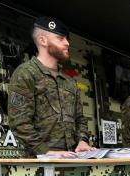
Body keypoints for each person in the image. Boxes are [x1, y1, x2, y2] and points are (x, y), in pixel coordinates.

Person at [8, 16, 92, 158]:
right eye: (60, 38)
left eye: (67, 39)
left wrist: (83, 141)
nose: (67, 43)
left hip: (71, 160)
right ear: (43, 40)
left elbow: (80, 119)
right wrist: (46, 152)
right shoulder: (26, 74)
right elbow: (20, 123)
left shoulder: (69, 82)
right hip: (39, 165)